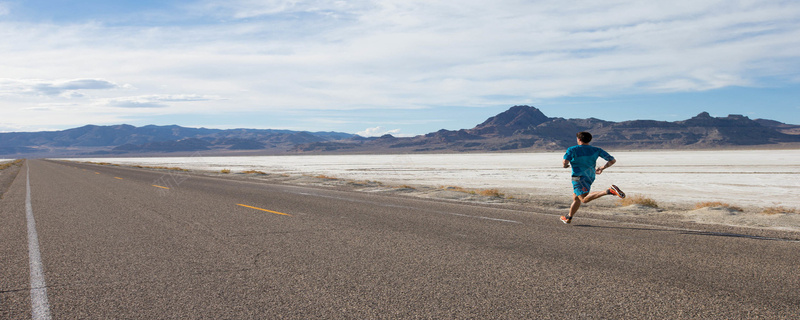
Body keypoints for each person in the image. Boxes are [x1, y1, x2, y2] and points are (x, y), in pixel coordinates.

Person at [560, 131, 625, 224]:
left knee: (583, 199)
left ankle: (609, 191)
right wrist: (602, 168)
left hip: (578, 178)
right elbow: (612, 160)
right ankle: (568, 217)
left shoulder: (572, 149)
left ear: (579, 139)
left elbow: (565, 161)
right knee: (576, 198)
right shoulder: (596, 149)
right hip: (590, 176)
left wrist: (565, 166)